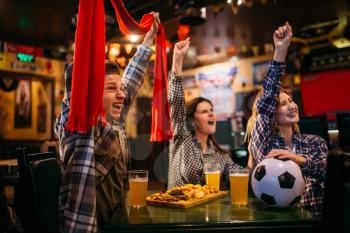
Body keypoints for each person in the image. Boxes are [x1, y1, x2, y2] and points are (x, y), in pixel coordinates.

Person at [55, 13, 160, 232]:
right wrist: (86, 54)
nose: (121, 94)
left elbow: (130, 81)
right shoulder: (81, 127)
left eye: (120, 88)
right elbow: (75, 87)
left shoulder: (114, 122)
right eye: (111, 89)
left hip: (117, 222)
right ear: (90, 93)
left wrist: (148, 40)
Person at [245, 23, 328, 216]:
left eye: (291, 100)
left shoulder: (315, 143)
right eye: (282, 104)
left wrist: (299, 160)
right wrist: (281, 51)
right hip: (280, 223)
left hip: (318, 221)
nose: (291, 105)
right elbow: (267, 100)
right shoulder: (264, 144)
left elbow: (329, 173)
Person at [167, 38, 241, 190]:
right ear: (193, 120)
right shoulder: (182, 137)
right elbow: (176, 102)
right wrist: (178, 59)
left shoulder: (218, 153)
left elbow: (236, 172)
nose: (211, 115)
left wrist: (254, 168)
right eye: (204, 111)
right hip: (177, 211)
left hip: (207, 213)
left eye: (212, 111)